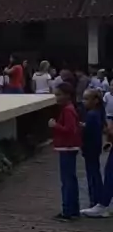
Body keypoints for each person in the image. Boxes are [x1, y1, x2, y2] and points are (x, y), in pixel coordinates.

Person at [48, 82, 81, 220]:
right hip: (69, 147)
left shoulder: (67, 110)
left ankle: (68, 210)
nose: (57, 97)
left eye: (59, 95)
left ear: (67, 95)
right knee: (70, 179)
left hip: (67, 147)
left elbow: (69, 129)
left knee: (67, 180)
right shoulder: (69, 109)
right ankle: (73, 210)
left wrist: (55, 125)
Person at [79, 89, 104, 212]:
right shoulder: (97, 113)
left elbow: (88, 132)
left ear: (95, 100)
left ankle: (95, 200)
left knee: (92, 174)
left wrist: (82, 128)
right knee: (94, 173)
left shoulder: (92, 114)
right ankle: (97, 199)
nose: (84, 101)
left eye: (86, 99)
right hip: (95, 147)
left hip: (90, 147)